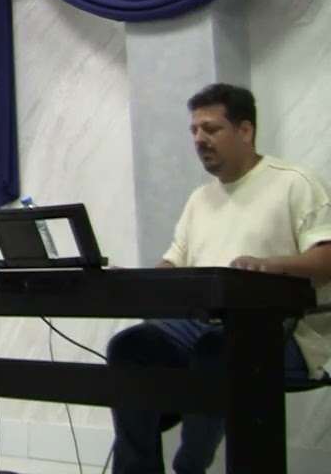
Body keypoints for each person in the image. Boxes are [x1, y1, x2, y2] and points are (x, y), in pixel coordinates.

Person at [106, 83, 331, 474]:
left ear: (245, 131)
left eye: (211, 129)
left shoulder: (294, 182)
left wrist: (269, 265)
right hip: (201, 327)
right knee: (131, 346)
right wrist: (137, 280)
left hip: (284, 333)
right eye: (194, 130)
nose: (199, 139)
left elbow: (327, 259)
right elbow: (172, 268)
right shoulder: (200, 199)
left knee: (218, 348)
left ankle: (190, 467)